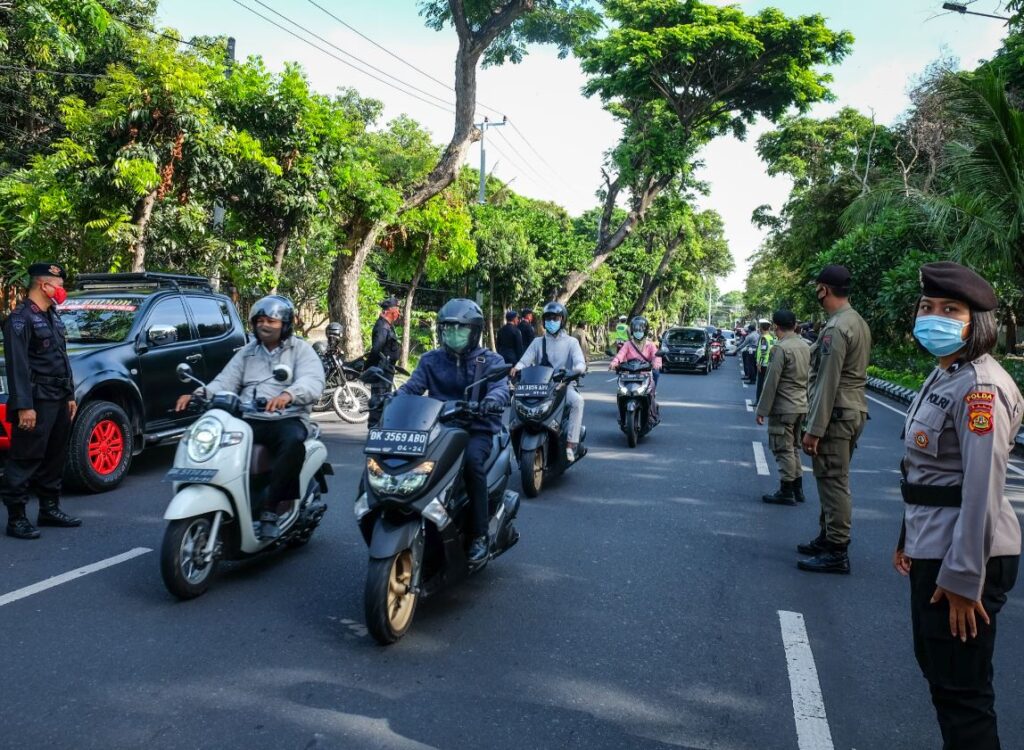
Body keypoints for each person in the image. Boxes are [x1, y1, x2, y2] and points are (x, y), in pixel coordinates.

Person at [893, 262, 1021, 750]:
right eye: (928, 307)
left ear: (977, 323)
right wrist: (906, 539)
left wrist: (966, 580)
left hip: (965, 559)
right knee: (941, 675)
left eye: (951, 309)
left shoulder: (980, 389)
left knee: (963, 693)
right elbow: (926, 472)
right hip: (935, 545)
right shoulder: (946, 374)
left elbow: (982, 489)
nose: (934, 316)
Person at [176, 295, 324, 540]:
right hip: (250, 417)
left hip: (285, 418)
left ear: (285, 324)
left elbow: (312, 380)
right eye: (260, 320)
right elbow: (226, 380)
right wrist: (199, 393)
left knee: (292, 443)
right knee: (218, 440)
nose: (264, 325)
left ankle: (270, 511)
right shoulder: (247, 352)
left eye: (271, 321)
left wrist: (289, 394)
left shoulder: (301, 350)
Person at [397, 299, 509, 565]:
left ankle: (480, 535)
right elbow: (412, 387)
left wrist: (491, 401)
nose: (453, 334)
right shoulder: (430, 360)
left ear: (474, 331)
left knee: (472, 464)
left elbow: (500, 387)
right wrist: (392, 399)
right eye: (447, 329)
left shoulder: (490, 361)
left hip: (476, 430)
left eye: (460, 329)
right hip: (435, 429)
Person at [797, 264, 871, 574]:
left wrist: (814, 428)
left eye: (818, 288)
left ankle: (837, 550)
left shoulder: (836, 328)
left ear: (824, 289)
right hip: (850, 410)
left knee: (833, 480)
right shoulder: (857, 321)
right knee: (830, 478)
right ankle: (827, 538)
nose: (817, 293)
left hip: (837, 413)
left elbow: (827, 381)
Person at [1, 262, 80, 540]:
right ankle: (17, 518)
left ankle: (49, 508)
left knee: (54, 456)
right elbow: (17, 366)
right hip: (35, 400)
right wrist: (24, 406)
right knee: (25, 458)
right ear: (43, 286)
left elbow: (62, 358)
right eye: (58, 287)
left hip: (58, 398)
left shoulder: (52, 316)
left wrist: (70, 395)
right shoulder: (19, 319)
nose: (61, 291)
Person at [512, 301, 587, 462]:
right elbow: (525, 361)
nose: (551, 321)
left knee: (578, 402)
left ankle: (570, 444)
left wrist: (576, 370)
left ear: (563, 320)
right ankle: (515, 439)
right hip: (539, 386)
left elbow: (580, 363)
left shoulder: (571, 342)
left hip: (563, 385)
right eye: (548, 318)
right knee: (515, 400)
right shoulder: (538, 342)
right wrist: (516, 368)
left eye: (555, 318)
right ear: (544, 321)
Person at [755, 310, 810, 506]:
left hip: (784, 406)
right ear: (795, 325)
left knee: (783, 449)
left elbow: (771, 382)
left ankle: (786, 490)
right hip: (801, 405)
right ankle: (798, 489)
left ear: (776, 326)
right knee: (794, 448)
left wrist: (762, 410)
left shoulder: (781, 348)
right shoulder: (806, 346)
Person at [609, 315, 662, 422]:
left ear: (645, 330)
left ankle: (651, 416)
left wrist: (656, 363)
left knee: (650, 391)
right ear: (632, 331)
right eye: (636, 329)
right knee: (620, 392)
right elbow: (620, 355)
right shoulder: (627, 344)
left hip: (645, 374)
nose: (638, 331)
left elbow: (656, 356)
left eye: (641, 329)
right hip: (628, 374)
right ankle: (621, 414)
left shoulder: (650, 345)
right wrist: (614, 363)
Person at [366, 297, 401, 428]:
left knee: (385, 399)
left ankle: (382, 428)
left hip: (387, 370)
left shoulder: (388, 326)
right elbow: (376, 350)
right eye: (396, 311)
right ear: (389, 312)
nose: (398, 314)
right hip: (381, 370)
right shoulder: (382, 327)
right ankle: (374, 428)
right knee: (378, 400)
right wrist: (370, 367)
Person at [754, 319, 776, 402]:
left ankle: (758, 401)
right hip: (769, 363)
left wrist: (759, 363)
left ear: (761, 328)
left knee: (760, 384)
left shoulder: (763, 338)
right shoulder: (771, 337)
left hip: (763, 364)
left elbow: (763, 351)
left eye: (760, 327)